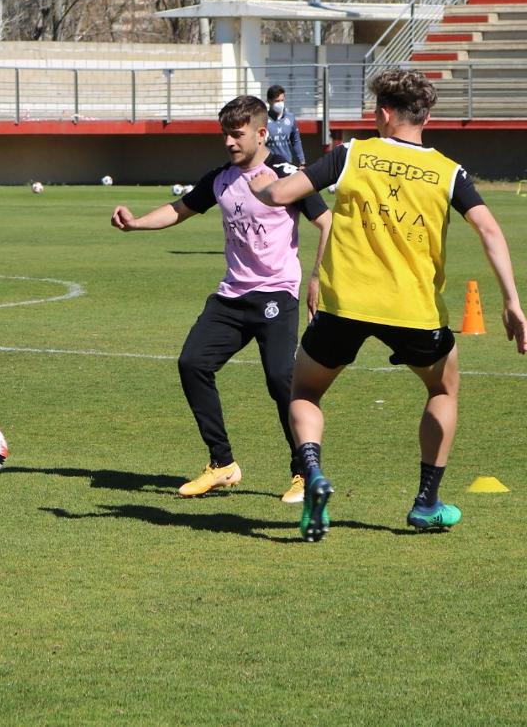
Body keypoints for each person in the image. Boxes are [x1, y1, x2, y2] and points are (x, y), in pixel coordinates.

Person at [250, 68, 526, 542]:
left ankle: (313, 472)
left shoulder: (352, 153)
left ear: (382, 114)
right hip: (414, 310)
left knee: (306, 393)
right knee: (442, 390)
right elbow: (489, 230)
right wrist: (512, 302)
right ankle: (426, 503)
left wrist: (261, 185)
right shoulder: (448, 170)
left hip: (345, 306)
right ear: (427, 117)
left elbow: (280, 195)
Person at [112, 95, 332, 503]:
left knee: (282, 380)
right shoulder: (221, 179)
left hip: (276, 294)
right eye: (225, 134)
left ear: (261, 133)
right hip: (232, 296)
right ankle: (222, 464)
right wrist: (136, 224)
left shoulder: (286, 175)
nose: (229, 142)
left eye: (237, 133)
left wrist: (318, 277)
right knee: (193, 363)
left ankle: (303, 469)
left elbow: (327, 220)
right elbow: (180, 209)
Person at [265, 85, 305, 166]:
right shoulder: (263, 119)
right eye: (277, 101)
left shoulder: (290, 118)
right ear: (269, 101)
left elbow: (296, 141)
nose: (280, 104)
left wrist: (302, 161)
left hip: (287, 164)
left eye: (282, 100)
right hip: (268, 165)